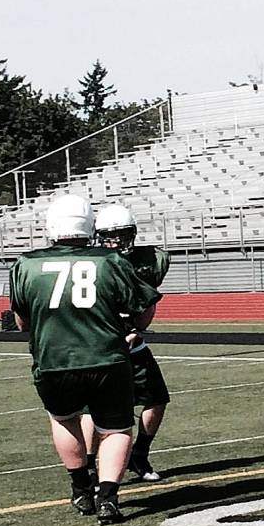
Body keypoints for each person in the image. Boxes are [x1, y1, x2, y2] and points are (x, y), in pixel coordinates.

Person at [9, 194, 161, 525]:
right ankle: (107, 498)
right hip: (107, 357)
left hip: (54, 359)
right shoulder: (110, 262)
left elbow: (21, 323)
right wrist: (132, 326)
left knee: (64, 419)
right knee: (117, 429)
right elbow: (144, 309)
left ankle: (80, 488)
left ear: (50, 227)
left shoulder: (26, 264)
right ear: (90, 226)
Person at [80, 203, 172, 483]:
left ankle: (139, 454)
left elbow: (147, 305)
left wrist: (135, 330)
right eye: (111, 235)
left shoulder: (147, 261)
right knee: (90, 411)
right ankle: (89, 467)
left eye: (122, 234)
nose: (117, 241)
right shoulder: (89, 262)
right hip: (98, 346)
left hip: (133, 344)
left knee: (156, 399)